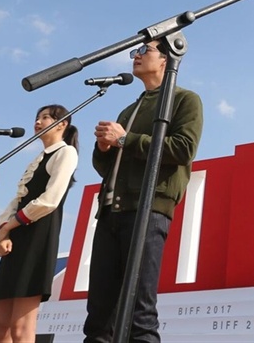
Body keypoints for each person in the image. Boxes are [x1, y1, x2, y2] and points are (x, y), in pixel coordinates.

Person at [83, 35, 203, 343]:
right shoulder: (129, 109)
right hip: (111, 211)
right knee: (99, 316)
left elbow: (182, 149)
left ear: (165, 59)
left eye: (144, 50)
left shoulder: (184, 100)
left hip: (149, 209)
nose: (135, 55)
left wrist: (124, 140)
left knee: (139, 311)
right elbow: (109, 168)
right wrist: (104, 149)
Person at [0, 104, 80, 342]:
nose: (38, 122)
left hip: (38, 235)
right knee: (1, 329)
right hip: (16, 235)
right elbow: (17, 200)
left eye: (45, 118)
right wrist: (3, 232)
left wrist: (8, 227)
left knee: (21, 328)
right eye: (37, 118)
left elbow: (49, 200)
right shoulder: (38, 158)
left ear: (62, 124)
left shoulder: (66, 152)